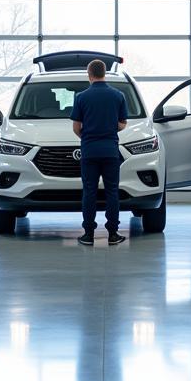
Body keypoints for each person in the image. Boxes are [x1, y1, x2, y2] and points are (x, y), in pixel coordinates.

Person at [71, 58, 128, 246]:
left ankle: (88, 234)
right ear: (104, 73)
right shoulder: (118, 96)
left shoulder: (81, 97)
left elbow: (76, 127)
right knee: (112, 191)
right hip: (110, 150)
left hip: (89, 151)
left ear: (89, 74)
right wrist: (109, 129)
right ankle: (113, 234)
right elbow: (122, 124)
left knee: (89, 192)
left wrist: (88, 136)